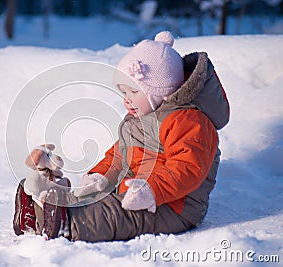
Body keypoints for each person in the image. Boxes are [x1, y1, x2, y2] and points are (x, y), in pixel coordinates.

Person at [13, 31, 230, 242]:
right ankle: (39, 209)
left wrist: (152, 190)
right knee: (96, 196)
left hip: (174, 205)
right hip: (135, 188)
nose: (126, 100)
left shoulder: (190, 121)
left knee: (115, 214)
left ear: (160, 92)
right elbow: (119, 155)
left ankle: (66, 223)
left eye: (133, 92)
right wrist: (99, 177)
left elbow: (188, 168)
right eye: (123, 92)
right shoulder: (139, 118)